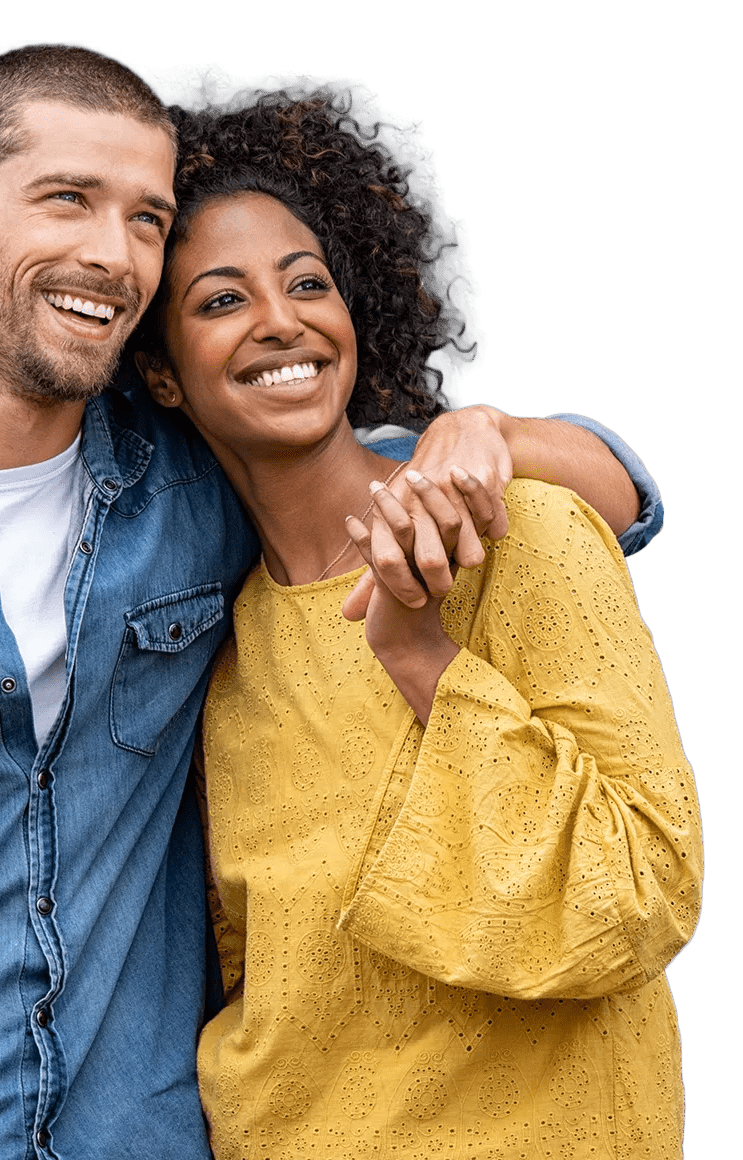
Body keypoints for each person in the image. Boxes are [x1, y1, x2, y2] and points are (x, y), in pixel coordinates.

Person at [0, 46, 662, 1160]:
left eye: (146, 218)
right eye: (67, 199)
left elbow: (546, 487)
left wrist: (496, 433)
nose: (109, 254)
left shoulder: (198, 491)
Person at [134, 94, 700, 1158]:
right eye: (220, 300)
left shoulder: (523, 531)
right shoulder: (221, 653)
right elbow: (259, 978)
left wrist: (416, 652)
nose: (280, 318)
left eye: (308, 282)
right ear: (160, 372)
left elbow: (641, 889)